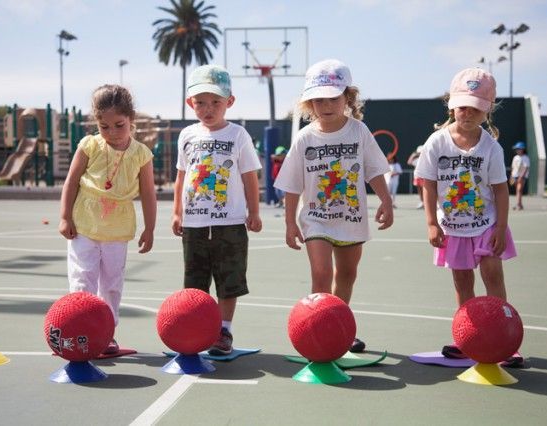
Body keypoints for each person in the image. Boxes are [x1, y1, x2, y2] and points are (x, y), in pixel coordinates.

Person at [274, 59, 394, 353]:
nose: (325, 105)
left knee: (348, 274)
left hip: (351, 219)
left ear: (348, 98)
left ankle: (339, 325)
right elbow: (292, 184)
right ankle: (319, 328)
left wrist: (386, 201)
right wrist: (290, 222)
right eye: (318, 100)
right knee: (321, 273)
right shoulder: (304, 138)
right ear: (309, 103)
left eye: (332, 98)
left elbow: (374, 170)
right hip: (316, 219)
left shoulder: (359, 132)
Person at [414, 68, 522, 367]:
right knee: (463, 283)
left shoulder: (491, 147)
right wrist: (432, 223)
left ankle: (504, 339)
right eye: (462, 105)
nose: (468, 112)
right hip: (453, 228)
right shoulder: (437, 142)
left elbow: (501, 191)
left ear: (486, 111)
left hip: (486, 225)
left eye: (476, 107)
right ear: (451, 105)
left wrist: (501, 226)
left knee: (492, 276)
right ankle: (468, 337)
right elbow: (429, 184)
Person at [171, 64, 262, 355]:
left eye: (215, 102)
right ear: (190, 103)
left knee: (229, 280)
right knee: (195, 281)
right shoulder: (186, 135)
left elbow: (249, 175)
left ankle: (224, 331)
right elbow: (181, 177)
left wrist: (254, 211)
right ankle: (196, 329)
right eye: (200, 102)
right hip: (194, 225)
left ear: (229, 102)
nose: (207, 109)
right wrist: (176, 212)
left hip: (230, 223)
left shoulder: (238, 136)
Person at [59, 84, 156, 355]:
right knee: (82, 280)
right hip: (84, 225)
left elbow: (148, 193)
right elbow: (72, 180)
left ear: (131, 119)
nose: (112, 132)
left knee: (112, 285)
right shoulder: (89, 145)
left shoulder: (141, 154)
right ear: (96, 123)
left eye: (119, 125)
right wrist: (65, 217)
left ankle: (105, 336)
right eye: (104, 126)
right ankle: (79, 332)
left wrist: (150, 228)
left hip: (117, 228)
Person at [510, 141, 530, 211]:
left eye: (519, 149)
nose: (517, 150)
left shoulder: (525, 158)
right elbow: (513, 167)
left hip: (521, 177)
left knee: (519, 190)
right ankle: (520, 204)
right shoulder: (515, 157)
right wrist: (511, 176)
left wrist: (521, 177)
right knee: (518, 191)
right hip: (514, 176)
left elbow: (525, 167)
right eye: (517, 149)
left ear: (523, 149)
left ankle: (518, 205)